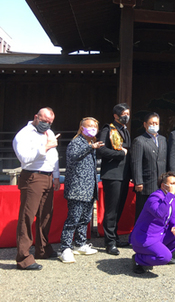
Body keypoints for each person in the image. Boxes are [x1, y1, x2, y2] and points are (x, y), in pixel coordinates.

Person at [13, 107, 60, 270]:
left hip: (48, 175)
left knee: (46, 214)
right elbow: (24, 158)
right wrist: (45, 147)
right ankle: (24, 257)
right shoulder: (24, 134)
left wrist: (55, 175)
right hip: (32, 176)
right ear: (36, 117)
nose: (47, 124)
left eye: (50, 122)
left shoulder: (49, 132)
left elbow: (54, 155)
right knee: (27, 216)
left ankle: (43, 248)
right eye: (45, 121)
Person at [58, 117, 104, 263]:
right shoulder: (76, 142)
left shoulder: (90, 143)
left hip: (89, 188)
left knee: (85, 219)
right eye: (89, 126)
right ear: (81, 128)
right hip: (77, 188)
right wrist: (91, 148)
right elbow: (73, 156)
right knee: (73, 219)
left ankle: (80, 243)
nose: (92, 129)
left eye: (94, 126)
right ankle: (65, 248)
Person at [130, 172, 175, 274]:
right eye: (172, 183)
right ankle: (138, 259)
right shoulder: (154, 198)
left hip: (158, 235)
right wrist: (170, 195)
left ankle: (161, 253)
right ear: (163, 185)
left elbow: (174, 218)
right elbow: (159, 213)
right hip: (145, 238)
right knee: (165, 257)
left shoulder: (171, 199)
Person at [96, 103, 132, 255]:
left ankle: (115, 237)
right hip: (112, 175)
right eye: (124, 114)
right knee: (111, 209)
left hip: (124, 175)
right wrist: (119, 154)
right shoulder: (108, 129)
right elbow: (101, 150)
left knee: (119, 208)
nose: (126, 117)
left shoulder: (124, 130)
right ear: (116, 116)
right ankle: (109, 242)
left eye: (128, 114)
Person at [131, 112, 168, 222]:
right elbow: (136, 162)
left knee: (159, 212)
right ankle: (139, 232)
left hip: (161, 183)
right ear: (145, 125)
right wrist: (138, 181)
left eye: (156, 123)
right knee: (143, 212)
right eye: (151, 123)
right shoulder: (140, 141)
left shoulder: (163, 140)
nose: (154, 125)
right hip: (146, 183)